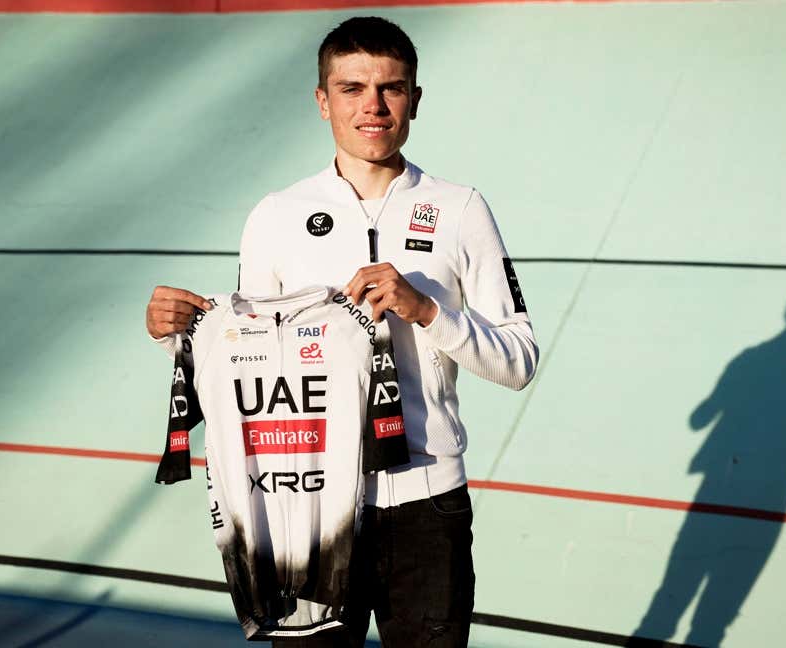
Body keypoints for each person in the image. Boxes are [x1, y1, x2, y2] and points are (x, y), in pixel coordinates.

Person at [146, 16, 538, 647]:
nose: (373, 106)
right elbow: (250, 353)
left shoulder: (462, 209)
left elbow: (519, 361)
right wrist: (177, 335)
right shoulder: (276, 217)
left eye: (392, 88)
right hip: (306, 509)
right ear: (323, 100)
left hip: (426, 507)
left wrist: (427, 310)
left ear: (415, 98)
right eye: (353, 88)